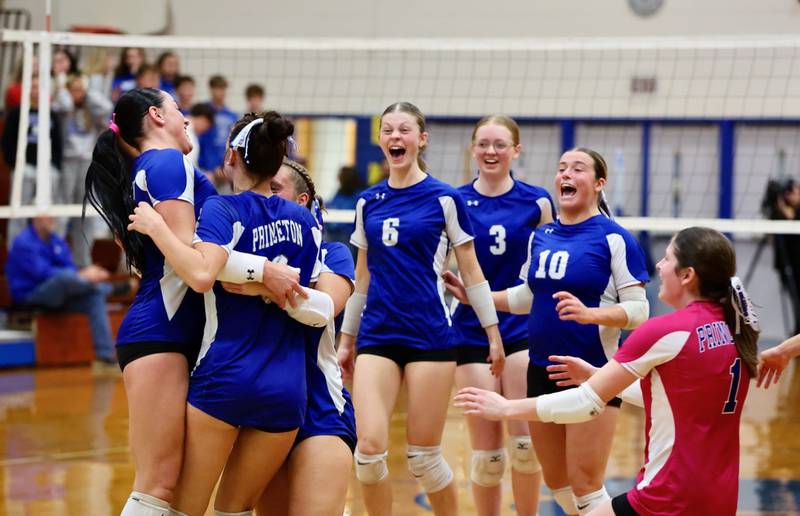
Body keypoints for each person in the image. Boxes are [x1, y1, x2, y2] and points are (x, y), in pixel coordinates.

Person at [84, 89, 304, 516]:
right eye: (177, 109)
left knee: (170, 481)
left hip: (179, 332)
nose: (185, 118)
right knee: (158, 484)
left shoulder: (159, 166)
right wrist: (263, 271)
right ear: (156, 116)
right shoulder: (167, 162)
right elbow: (196, 264)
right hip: (161, 332)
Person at [456, 226, 760, 516]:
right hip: (719, 495)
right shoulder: (732, 327)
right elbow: (675, 401)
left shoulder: (666, 331)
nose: (659, 264)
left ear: (687, 276)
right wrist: (595, 375)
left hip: (668, 495)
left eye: (668, 258)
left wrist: (507, 408)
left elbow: (585, 403)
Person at [445, 147, 649, 515]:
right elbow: (526, 296)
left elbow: (639, 310)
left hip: (592, 373)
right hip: (540, 371)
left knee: (586, 486)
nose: (566, 175)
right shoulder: (543, 236)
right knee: (559, 485)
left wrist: (592, 315)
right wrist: (477, 297)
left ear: (599, 183)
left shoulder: (614, 238)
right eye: (561, 168)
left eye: (578, 169)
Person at [338, 101, 503, 516]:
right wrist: (346, 339)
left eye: (405, 130)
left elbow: (472, 271)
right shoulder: (367, 202)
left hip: (429, 335)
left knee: (424, 459)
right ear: (380, 140)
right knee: (369, 454)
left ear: (421, 139)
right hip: (377, 335)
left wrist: (493, 333)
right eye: (389, 130)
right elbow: (362, 278)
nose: (396, 137)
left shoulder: (445, 198)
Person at [450, 115, 554, 516]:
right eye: (483, 144)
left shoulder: (537, 201)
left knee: (525, 447)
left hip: (523, 328)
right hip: (470, 331)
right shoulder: (454, 201)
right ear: (473, 149)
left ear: (516, 150)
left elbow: (550, 262)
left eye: (500, 144)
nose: (491, 152)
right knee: (488, 456)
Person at [253, 158, 356, 516]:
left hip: (319, 410)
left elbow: (325, 307)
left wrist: (258, 286)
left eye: (275, 188)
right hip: (258, 408)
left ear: (301, 202)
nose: (265, 194)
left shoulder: (331, 253)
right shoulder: (245, 254)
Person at [5, 215, 117, 367]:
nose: (53, 218)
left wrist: (83, 275)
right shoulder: (23, 241)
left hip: (58, 295)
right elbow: (42, 273)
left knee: (94, 297)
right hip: (30, 296)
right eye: (48, 215)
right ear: (36, 217)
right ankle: (110, 290)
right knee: (64, 278)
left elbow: (69, 267)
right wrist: (84, 275)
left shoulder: (56, 240)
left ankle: (105, 358)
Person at [52, 74, 113, 267]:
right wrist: (64, 88)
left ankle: (83, 260)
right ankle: (57, 257)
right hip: (68, 162)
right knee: (62, 211)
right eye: (74, 90)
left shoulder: (91, 110)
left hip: (87, 163)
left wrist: (87, 95)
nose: (78, 94)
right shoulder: (63, 110)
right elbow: (64, 105)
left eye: (81, 90)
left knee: (84, 212)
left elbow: (107, 107)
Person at [2, 74, 63, 245]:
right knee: (19, 212)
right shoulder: (16, 113)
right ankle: (16, 251)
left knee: (47, 213)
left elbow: (58, 142)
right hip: (24, 168)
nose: (36, 91)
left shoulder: (51, 113)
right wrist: (16, 165)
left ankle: (47, 251)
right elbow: (7, 141)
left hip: (47, 170)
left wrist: (56, 166)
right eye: (33, 87)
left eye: (39, 87)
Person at [762, 178, 800, 334]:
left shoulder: (793, 212)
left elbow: (792, 219)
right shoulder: (779, 212)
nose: (792, 194)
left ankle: (796, 337)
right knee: (796, 303)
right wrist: (777, 205)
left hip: (796, 264)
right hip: (788, 265)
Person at [198, 74, 238, 175]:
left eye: (223, 88)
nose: (220, 92)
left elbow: (233, 144)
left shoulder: (231, 116)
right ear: (211, 90)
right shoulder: (203, 111)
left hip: (225, 169)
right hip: (204, 168)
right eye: (217, 88)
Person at [325, 165, 364, 247]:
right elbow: (330, 205)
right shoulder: (339, 193)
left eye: (341, 175)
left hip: (348, 237)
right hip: (333, 234)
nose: (338, 178)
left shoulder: (358, 196)